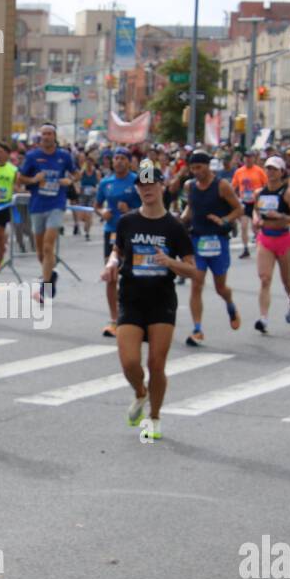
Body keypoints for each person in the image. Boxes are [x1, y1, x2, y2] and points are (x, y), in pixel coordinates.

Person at [100, 164, 197, 442]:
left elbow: (192, 269)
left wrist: (170, 262)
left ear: (161, 187)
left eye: (151, 184)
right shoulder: (128, 222)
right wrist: (110, 265)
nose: (147, 190)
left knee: (156, 364)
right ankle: (140, 393)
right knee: (130, 362)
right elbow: (117, 252)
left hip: (161, 301)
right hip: (131, 297)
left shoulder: (174, 226)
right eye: (142, 186)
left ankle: (154, 418)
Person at [179, 150, 243, 345]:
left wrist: (224, 219)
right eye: (192, 168)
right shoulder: (190, 186)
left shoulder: (222, 186)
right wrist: (181, 219)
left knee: (220, 287)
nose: (196, 171)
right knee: (196, 284)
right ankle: (197, 329)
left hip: (217, 241)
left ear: (208, 166)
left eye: (199, 167)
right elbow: (191, 207)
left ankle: (230, 304)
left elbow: (239, 209)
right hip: (197, 240)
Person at [17, 123, 78, 304]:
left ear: (54, 136)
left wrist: (70, 179)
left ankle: (45, 289)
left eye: (49, 133)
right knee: (40, 253)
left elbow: (76, 173)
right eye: (43, 134)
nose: (46, 137)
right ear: (40, 137)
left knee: (48, 246)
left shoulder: (64, 156)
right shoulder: (32, 156)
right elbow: (20, 178)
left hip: (56, 204)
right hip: (37, 205)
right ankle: (52, 274)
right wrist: (34, 179)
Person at [252, 157, 290, 333]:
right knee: (265, 279)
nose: (270, 172)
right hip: (265, 238)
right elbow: (255, 211)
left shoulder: (288, 194)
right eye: (268, 168)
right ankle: (263, 319)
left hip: (283, 239)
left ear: (282, 172)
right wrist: (257, 219)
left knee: (286, 280)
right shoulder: (259, 192)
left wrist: (282, 217)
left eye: (274, 169)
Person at [95, 150, 141, 337]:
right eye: (116, 158)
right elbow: (97, 206)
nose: (119, 162)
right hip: (112, 232)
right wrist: (101, 213)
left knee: (132, 275)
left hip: (133, 232)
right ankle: (114, 319)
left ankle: (134, 315)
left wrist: (130, 210)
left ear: (129, 163)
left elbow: (148, 205)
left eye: (123, 159)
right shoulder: (106, 182)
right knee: (111, 274)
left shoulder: (137, 181)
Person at [231, 149, 268, 259]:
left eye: (250, 157)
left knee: (255, 227)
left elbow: (266, 185)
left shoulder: (259, 171)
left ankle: (260, 247)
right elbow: (233, 186)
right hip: (245, 202)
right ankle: (245, 248)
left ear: (253, 159)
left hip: (256, 202)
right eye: (246, 157)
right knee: (243, 226)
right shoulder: (239, 171)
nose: (248, 159)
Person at [0, 141, 18, 271]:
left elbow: (17, 186)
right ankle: (2, 249)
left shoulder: (13, 170)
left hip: (5, 204)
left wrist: (18, 191)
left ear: (7, 154)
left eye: (0, 152)